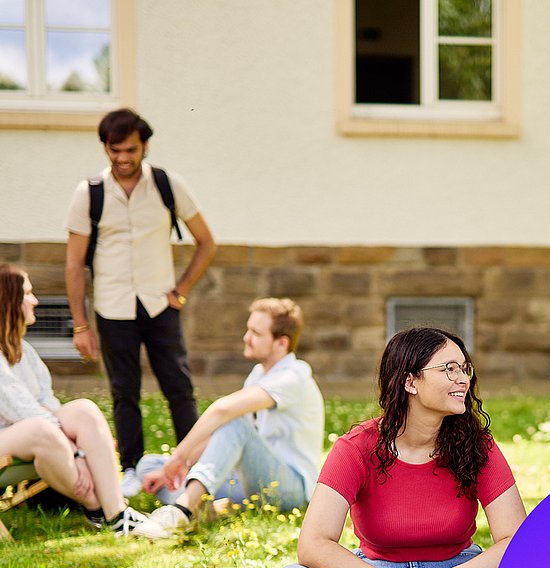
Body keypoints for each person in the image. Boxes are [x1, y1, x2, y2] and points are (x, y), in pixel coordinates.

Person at [268, 327, 550, 568]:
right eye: (448, 369)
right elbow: (313, 546)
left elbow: (517, 539)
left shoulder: (478, 446)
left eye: (464, 368)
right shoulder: (356, 448)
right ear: (410, 381)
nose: (463, 379)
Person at [64, 108, 217, 497]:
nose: (122, 158)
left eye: (130, 149)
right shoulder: (90, 193)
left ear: (144, 145)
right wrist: (80, 325)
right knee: (123, 390)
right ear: (105, 148)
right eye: (114, 150)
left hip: (159, 305)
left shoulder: (167, 185)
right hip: (113, 308)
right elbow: (74, 263)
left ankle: (193, 468)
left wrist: (180, 289)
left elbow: (207, 241)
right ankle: (130, 467)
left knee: (179, 387)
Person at [134, 298, 324, 539]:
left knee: (235, 422)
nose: (246, 337)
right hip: (249, 481)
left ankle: (181, 511)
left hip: (289, 489)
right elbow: (222, 433)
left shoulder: (295, 375)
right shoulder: (258, 375)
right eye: (248, 330)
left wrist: (179, 457)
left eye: (255, 333)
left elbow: (223, 412)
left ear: (281, 343)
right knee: (150, 466)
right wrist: (177, 465)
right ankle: (211, 507)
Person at [0, 265, 147, 535]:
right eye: (28, 294)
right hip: (8, 435)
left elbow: (46, 400)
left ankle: (117, 512)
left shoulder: (24, 351)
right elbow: (21, 409)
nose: (35, 301)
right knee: (43, 430)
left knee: (83, 411)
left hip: (25, 431)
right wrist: (76, 451)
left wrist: (72, 436)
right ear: (8, 301)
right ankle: (97, 510)